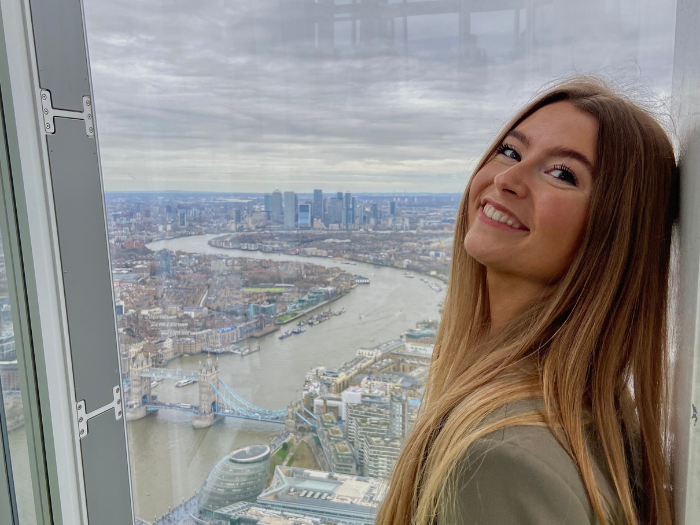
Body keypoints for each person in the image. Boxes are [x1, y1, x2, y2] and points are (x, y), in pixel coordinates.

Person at [375, 77, 678, 525]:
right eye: (511, 152)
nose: (507, 178)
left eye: (562, 174)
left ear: (615, 235)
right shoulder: (601, 410)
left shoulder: (498, 459)